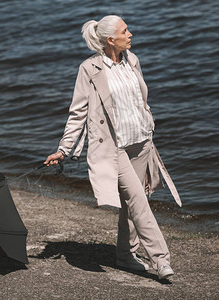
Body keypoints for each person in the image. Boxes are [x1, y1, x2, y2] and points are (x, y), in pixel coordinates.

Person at [44, 15, 181, 280]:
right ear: (110, 39)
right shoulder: (90, 69)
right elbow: (78, 113)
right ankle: (161, 260)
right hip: (114, 148)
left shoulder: (132, 60)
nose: (130, 34)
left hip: (141, 143)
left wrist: (148, 125)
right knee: (139, 202)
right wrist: (64, 149)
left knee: (131, 205)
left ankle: (124, 255)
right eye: (125, 31)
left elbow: (140, 99)